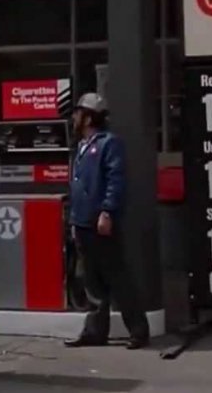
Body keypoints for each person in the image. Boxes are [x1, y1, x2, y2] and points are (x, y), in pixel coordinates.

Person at [64, 93, 150, 350]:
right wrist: (73, 219)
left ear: (89, 117)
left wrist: (107, 211)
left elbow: (115, 180)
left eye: (78, 113)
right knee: (91, 280)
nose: (73, 117)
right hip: (81, 222)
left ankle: (138, 331)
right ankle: (94, 332)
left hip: (100, 222)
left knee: (117, 277)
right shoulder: (81, 146)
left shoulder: (108, 143)